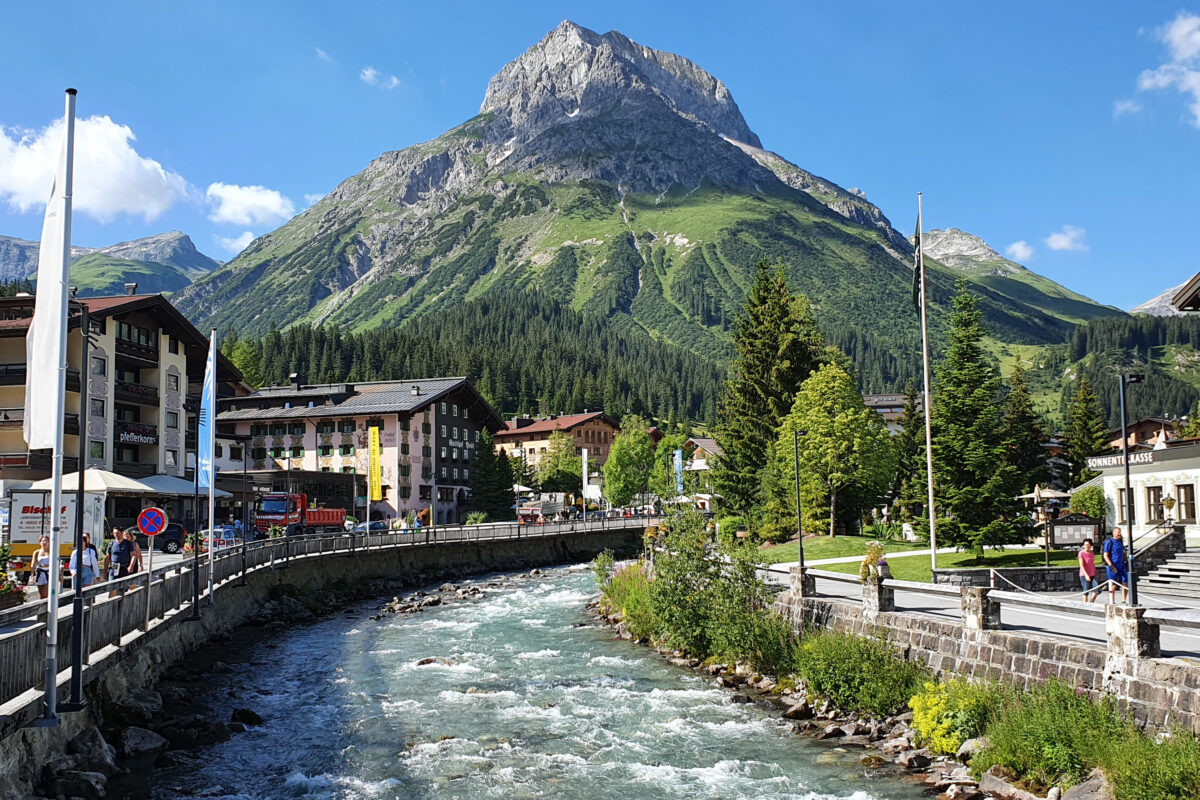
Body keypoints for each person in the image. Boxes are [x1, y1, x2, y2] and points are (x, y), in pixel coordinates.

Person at [1102, 526, 1130, 604]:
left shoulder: (1120, 542)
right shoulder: (1109, 542)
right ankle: (1112, 600)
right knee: (1113, 584)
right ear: (1113, 533)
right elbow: (1105, 555)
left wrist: (1126, 560)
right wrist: (1111, 566)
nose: (1119, 534)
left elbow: (1123, 552)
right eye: (1118, 532)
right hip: (1112, 566)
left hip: (1121, 565)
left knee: (1126, 582)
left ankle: (1124, 600)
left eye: (1120, 532)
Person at [30, 535, 52, 600]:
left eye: (46, 541)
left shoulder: (52, 552)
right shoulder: (36, 552)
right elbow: (33, 564)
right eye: (42, 541)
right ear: (39, 542)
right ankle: (43, 607)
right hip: (40, 573)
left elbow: (56, 563)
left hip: (48, 573)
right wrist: (32, 575)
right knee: (41, 593)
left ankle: (48, 606)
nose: (44, 542)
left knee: (45, 592)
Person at [1077, 538, 1100, 603]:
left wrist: (1095, 572)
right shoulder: (1081, 553)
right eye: (1085, 544)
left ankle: (1091, 603)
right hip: (1084, 575)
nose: (1086, 546)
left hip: (1092, 573)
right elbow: (1081, 565)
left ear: (1090, 545)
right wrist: (1086, 575)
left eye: (1087, 544)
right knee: (1086, 590)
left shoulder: (1092, 553)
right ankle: (1085, 604)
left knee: (1096, 589)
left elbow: (1092, 563)